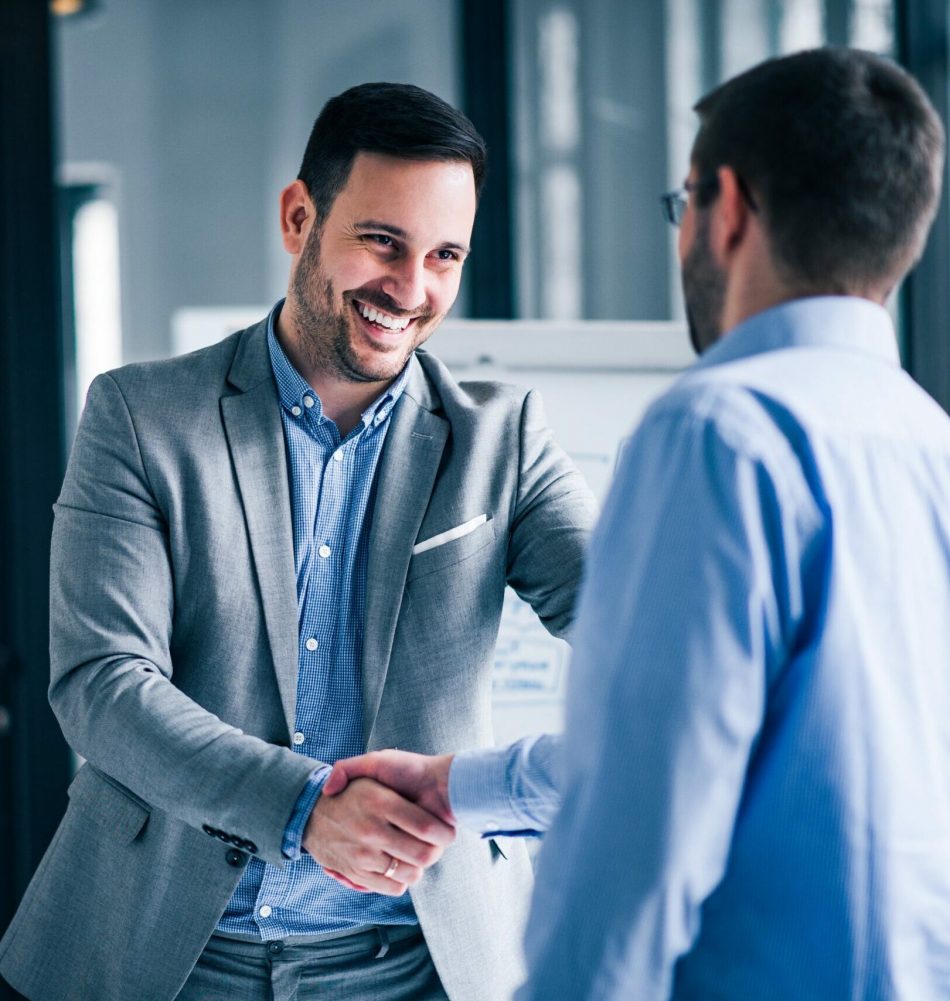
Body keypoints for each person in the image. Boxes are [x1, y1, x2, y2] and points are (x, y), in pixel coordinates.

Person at [324, 48, 950, 999]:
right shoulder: (928, 439)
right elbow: (719, 742)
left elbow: (642, 814)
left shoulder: (718, 431)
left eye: (683, 203)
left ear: (727, 206)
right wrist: (462, 786)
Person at [0, 82, 596, 1001]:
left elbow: (644, 633)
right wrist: (304, 808)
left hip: (418, 966)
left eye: (445, 255)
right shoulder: (140, 417)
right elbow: (102, 684)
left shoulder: (502, 440)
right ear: (298, 217)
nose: (411, 288)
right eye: (381, 242)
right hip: (170, 953)